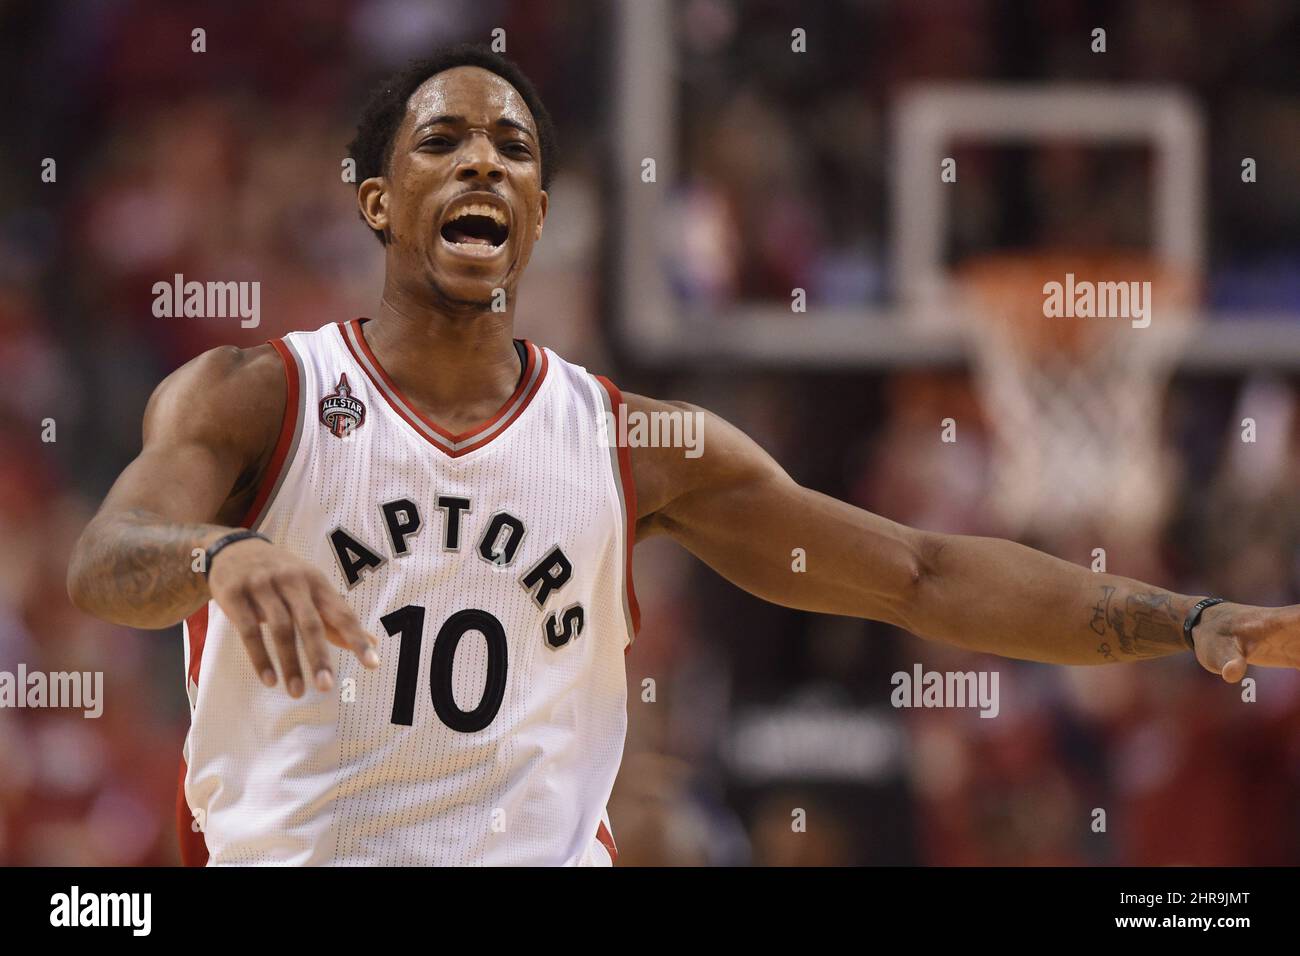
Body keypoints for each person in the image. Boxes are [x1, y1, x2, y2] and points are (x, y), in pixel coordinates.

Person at [66, 45, 1300, 866]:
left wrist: (1182, 617)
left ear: (539, 214)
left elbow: (918, 572)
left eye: (513, 148)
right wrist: (220, 554)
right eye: (441, 142)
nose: (483, 160)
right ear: (379, 201)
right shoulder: (257, 395)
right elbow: (110, 559)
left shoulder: (626, 442)